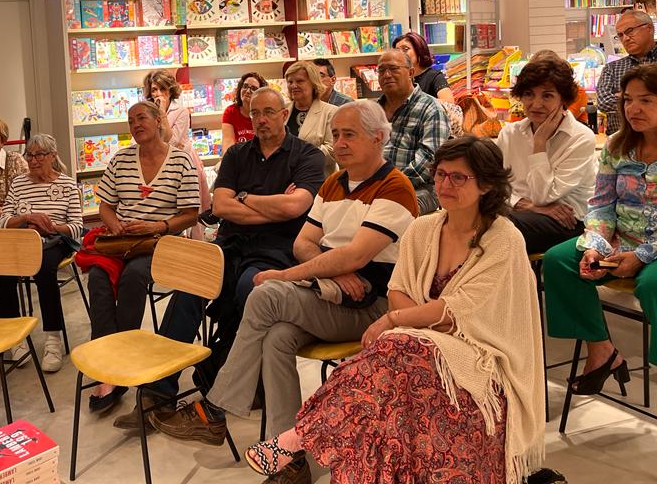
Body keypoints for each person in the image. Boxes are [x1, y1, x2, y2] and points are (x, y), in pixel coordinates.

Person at [245, 137, 544, 484]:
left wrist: (395, 320)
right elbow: (398, 290)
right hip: (420, 349)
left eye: (458, 178)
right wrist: (414, 324)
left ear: (487, 184)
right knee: (393, 374)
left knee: (395, 348)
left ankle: (299, 436)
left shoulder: (503, 237)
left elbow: (457, 311)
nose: (446, 184)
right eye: (441, 174)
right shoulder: (423, 228)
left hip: (481, 355)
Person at [151, 102, 418, 472]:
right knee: (276, 337)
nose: (339, 143)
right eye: (336, 134)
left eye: (349, 134)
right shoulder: (333, 182)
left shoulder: (394, 187)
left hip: (372, 308)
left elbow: (355, 255)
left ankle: (215, 409)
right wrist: (335, 268)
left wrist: (288, 274)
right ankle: (289, 460)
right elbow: (302, 244)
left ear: (378, 138)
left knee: (266, 293)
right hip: (332, 295)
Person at [128, 87, 325, 430]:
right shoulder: (236, 155)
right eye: (255, 113)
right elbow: (220, 206)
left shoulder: (307, 156)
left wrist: (245, 199)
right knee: (189, 286)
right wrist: (274, 205)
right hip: (230, 245)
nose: (261, 119)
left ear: (284, 114)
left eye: (268, 112)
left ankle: (220, 393)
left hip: (278, 251)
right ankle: (157, 395)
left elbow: (297, 207)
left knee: (252, 290)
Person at [77, 100, 200, 418]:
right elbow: (105, 205)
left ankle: (119, 362)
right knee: (99, 279)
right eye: (130, 120)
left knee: (134, 277)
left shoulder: (181, 160)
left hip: (163, 242)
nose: (135, 125)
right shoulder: (120, 159)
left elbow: (190, 213)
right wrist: (114, 223)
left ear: (159, 120)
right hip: (121, 241)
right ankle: (110, 363)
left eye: (141, 118)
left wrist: (159, 225)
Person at [544, 64, 657, 393]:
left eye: (646, 100)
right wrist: (595, 244)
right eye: (628, 100)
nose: (633, 109)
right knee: (559, 260)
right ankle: (601, 349)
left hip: (652, 249)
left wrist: (641, 256)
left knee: (652, 285)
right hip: (619, 241)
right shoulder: (616, 147)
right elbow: (602, 204)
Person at [0, 133, 84, 373]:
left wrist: (51, 226)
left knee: (44, 269)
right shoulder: (18, 183)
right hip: (23, 241)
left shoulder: (66, 185)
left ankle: (53, 338)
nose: (33, 160)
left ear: (53, 156)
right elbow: (3, 221)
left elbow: (77, 226)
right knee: (2, 270)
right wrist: (25, 218)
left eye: (40, 155)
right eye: (30, 155)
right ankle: (13, 336)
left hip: (56, 241)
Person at [497, 56, 597, 254]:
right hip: (519, 213)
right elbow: (494, 185)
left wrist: (539, 144)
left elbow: (543, 196)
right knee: (477, 218)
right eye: (529, 94)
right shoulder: (509, 133)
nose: (536, 104)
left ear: (564, 99)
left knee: (498, 227)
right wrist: (529, 206)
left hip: (568, 221)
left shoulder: (580, 138)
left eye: (547, 96)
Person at [377, 49, 450, 215]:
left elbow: (429, 159)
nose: (386, 75)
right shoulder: (373, 110)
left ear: (410, 73)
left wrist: (388, 186)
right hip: (374, 187)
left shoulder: (431, 109)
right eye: (381, 70)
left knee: (388, 214)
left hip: (418, 189)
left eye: (393, 68)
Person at [145, 69, 210, 212]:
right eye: (154, 90)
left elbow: (171, 142)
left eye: (163, 89)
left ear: (170, 89)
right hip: (159, 165)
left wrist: (161, 112)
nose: (159, 94)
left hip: (183, 163)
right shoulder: (147, 112)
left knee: (189, 209)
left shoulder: (182, 112)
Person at [595, 9, 657, 134]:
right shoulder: (612, 68)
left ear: (649, 29)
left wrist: (621, 96)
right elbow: (603, 102)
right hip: (621, 142)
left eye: (630, 31)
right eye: (621, 35)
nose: (626, 38)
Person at [284, 61, 337, 177]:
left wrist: (298, 158)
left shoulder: (331, 112)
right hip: (284, 180)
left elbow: (332, 150)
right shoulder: (281, 110)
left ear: (313, 83)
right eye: (290, 82)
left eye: (300, 81)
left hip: (317, 181)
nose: (293, 85)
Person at [392, 31, 456, 104]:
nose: (400, 54)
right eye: (397, 51)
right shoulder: (398, 78)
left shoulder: (434, 76)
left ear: (419, 51)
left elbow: (448, 102)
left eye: (405, 49)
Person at [221, 72, 267, 153]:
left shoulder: (265, 114)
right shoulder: (230, 112)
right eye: (245, 86)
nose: (248, 91)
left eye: (253, 88)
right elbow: (228, 145)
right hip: (238, 159)